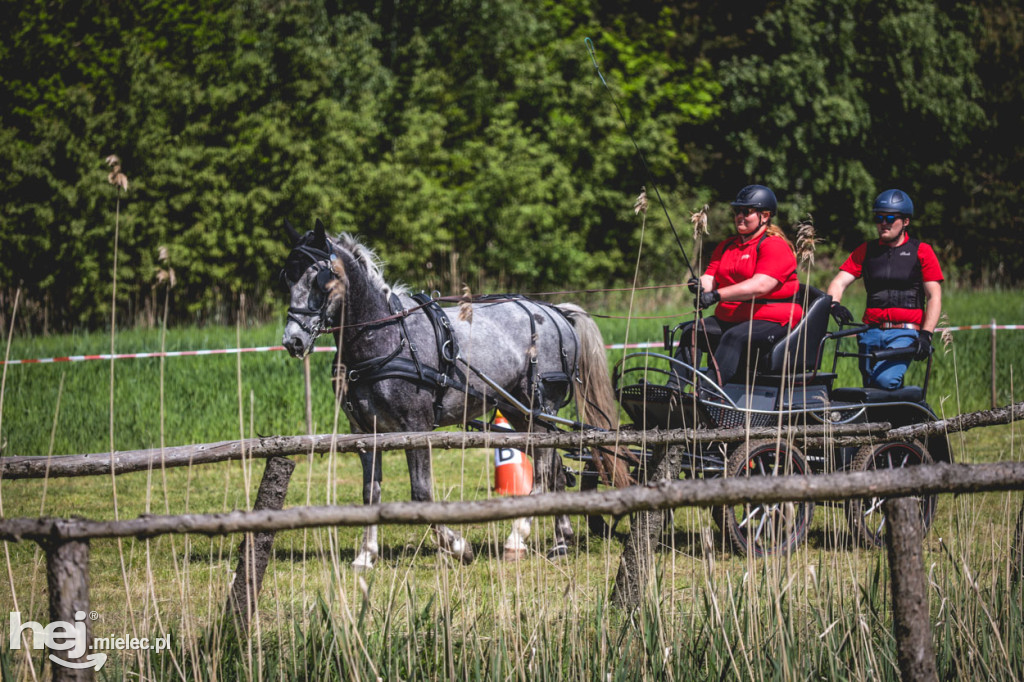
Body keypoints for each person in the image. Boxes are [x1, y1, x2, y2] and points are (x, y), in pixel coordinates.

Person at [673, 184, 803, 387]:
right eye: (737, 211)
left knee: (734, 337)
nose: (740, 216)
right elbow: (711, 278)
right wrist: (700, 285)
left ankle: (709, 394)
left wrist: (716, 296)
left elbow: (760, 285)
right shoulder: (727, 246)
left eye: (747, 211)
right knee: (693, 330)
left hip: (770, 317)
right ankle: (674, 390)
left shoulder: (774, 245)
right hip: (732, 316)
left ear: (765, 215)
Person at [826, 189, 943, 389]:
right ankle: (894, 420)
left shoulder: (922, 251)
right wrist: (834, 304)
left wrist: (926, 334)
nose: (883, 223)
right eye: (879, 217)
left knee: (885, 380)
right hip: (869, 332)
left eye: (890, 217)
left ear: (906, 222)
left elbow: (934, 296)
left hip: (904, 333)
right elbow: (839, 282)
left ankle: (912, 400)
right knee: (871, 388)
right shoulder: (866, 251)